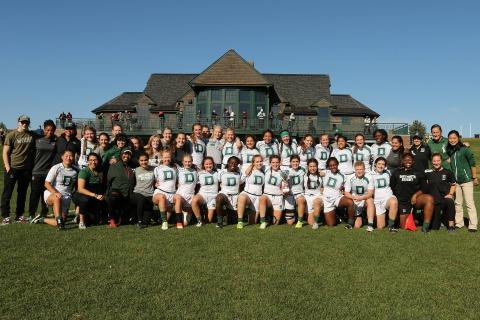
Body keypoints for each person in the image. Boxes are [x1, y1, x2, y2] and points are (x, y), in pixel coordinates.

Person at [1, 115, 36, 225]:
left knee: (22, 193)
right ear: (18, 122)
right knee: (7, 193)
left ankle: (19, 215)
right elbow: (5, 152)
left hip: (26, 169)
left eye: (26, 122)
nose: (24, 124)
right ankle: (6, 216)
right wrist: (7, 167)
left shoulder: (32, 135)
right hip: (12, 168)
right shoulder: (11, 135)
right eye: (22, 122)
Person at [32, 150, 78, 230]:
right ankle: (61, 226)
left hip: (66, 197)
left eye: (71, 156)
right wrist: (56, 192)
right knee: (57, 198)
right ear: (62, 157)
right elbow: (47, 183)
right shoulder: (56, 167)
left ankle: (42, 219)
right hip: (52, 194)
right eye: (66, 156)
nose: (68, 158)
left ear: (73, 158)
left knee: (61, 220)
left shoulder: (76, 170)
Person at [390, 153, 434, 232]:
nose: (408, 161)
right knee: (404, 226)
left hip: (415, 200)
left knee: (429, 199)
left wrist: (415, 195)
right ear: (402, 161)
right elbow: (392, 187)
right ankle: (416, 220)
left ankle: (425, 226)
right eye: (406, 159)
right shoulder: (397, 172)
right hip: (402, 201)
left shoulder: (418, 172)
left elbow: (425, 188)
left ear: (413, 161)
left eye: (410, 159)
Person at [446, 130, 478, 231]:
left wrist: (474, 177)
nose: (452, 140)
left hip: (467, 180)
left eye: (454, 138)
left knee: (469, 203)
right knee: (458, 203)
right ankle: (459, 223)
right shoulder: (449, 150)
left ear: (458, 138)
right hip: (456, 182)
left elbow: (472, 164)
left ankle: (473, 225)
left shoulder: (465, 149)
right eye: (450, 138)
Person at [28, 120, 57, 221]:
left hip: (48, 173)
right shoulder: (37, 140)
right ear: (44, 130)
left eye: (52, 130)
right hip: (36, 172)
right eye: (47, 130)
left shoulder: (55, 142)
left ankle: (44, 212)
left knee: (45, 194)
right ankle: (31, 213)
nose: (49, 132)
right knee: (34, 194)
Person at [71, 153, 106, 229]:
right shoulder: (84, 172)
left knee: (93, 221)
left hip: (92, 196)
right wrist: (95, 195)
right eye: (91, 160)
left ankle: (79, 216)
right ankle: (81, 221)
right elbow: (80, 189)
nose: (93, 162)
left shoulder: (100, 171)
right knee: (84, 200)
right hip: (80, 195)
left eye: (95, 160)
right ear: (87, 161)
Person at [425, 153, 456, 233]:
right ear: (431, 162)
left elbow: (453, 184)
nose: (436, 163)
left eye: (438, 160)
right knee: (435, 227)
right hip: (433, 201)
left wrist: (450, 194)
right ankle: (440, 221)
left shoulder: (448, 172)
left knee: (450, 201)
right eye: (434, 161)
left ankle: (451, 226)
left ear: (441, 161)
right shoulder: (428, 172)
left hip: (444, 199)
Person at [321, 157, 355, 229]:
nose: (333, 167)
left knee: (350, 202)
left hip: (337, 198)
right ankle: (338, 216)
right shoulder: (325, 172)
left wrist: (343, 188)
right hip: (327, 200)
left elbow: (347, 188)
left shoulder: (343, 176)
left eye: (334, 165)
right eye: (331, 165)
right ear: (328, 166)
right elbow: (316, 173)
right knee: (331, 224)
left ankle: (350, 223)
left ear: (337, 164)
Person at [106, 148, 135, 228]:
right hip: (117, 193)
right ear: (121, 155)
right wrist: (107, 193)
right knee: (113, 197)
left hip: (128, 195)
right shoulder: (114, 165)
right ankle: (111, 219)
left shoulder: (132, 166)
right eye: (125, 154)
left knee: (126, 221)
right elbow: (109, 181)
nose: (126, 156)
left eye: (129, 154)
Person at [344, 161, 375, 231]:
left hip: (364, 199)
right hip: (355, 200)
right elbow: (346, 193)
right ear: (354, 170)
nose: (359, 171)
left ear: (364, 170)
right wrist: (353, 197)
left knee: (370, 200)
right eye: (357, 169)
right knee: (357, 226)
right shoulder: (350, 177)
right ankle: (360, 216)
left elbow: (370, 193)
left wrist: (361, 198)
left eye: (361, 169)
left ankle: (370, 225)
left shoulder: (369, 177)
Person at [237, 155, 264, 229]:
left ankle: (249, 211)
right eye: (257, 162)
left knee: (253, 222)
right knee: (242, 197)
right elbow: (240, 181)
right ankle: (240, 221)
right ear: (253, 163)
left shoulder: (263, 172)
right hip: (248, 194)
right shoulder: (249, 171)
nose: (259, 163)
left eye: (261, 161)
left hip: (258, 197)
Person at [371, 157, 398, 231]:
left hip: (387, 198)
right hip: (377, 201)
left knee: (394, 202)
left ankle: (391, 226)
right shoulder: (370, 174)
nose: (381, 166)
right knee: (380, 226)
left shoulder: (388, 172)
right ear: (375, 164)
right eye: (379, 164)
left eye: (383, 164)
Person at [153, 149, 178, 230]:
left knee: (168, 213)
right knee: (162, 197)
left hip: (172, 194)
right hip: (160, 192)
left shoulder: (175, 168)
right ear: (162, 158)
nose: (167, 159)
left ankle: (162, 220)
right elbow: (154, 180)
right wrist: (155, 183)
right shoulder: (157, 168)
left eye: (168, 157)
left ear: (171, 158)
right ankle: (164, 221)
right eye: (165, 157)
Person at [216, 156, 243, 228]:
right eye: (231, 163)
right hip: (225, 195)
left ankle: (226, 213)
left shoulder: (239, 173)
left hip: (235, 196)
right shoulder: (222, 172)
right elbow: (218, 184)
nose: (233, 165)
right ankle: (219, 221)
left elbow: (241, 185)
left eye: (235, 163)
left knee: (232, 221)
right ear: (228, 163)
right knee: (219, 198)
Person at [173, 154, 200, 228]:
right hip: (180, 196)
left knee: (186, 223)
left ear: (192, 162)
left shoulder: (195, 172)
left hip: (190, 197)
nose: (187, 163)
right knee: (178, 199)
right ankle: (178, 222)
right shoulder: (179, 170)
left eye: (189, 161)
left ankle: (185, 212)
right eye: (185, 161)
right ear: (182, 162)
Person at [131, 153, 155, 228]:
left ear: (148, 160)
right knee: (141, 199)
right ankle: (139, 221)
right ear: (138, 161)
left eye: (145, 160)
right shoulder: (136, 170)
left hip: (150, 194)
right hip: (138, 192)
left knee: (146, 222)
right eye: (141, 160)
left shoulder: (154, 169)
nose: (144, 162)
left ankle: (145, 219)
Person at [259, 155, 284, 228]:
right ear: (270, 163)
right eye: (273, 162)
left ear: (280, 163)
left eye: (277, 162)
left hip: (278, 197)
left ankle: (269, 217)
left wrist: (284, 190)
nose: (275, 164)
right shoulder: (266, 168)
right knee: (262, 198)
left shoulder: (283, 173)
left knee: (275, 223)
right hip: (268, 196)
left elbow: (284, 186)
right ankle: (263, 221)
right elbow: (257, 164)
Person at [192, 157, 218, 224]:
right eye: (206, 164)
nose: (208, 166)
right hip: (202, 195)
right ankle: (199, 220)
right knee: (194, 200)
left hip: (213, 197)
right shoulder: (200, 173)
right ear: (203, 165)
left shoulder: (217, 173)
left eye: (210, 164)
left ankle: (205, 216)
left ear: (213, 164)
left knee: (208, 221)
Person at [283, 155, 306, 228]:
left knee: (301, 200)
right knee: (290, 222)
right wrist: (285, 191)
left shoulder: (303, 170)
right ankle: (295, 213)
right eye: (293, 161)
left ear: (299, 162)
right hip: (290, 195)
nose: (295, 163)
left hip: (300, 194)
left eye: (297, 161)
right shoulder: (286, 172)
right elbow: (284, 185)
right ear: (290, 162)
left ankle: (300, 221)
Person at [304, 159, 323, 229]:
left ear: (317, 166)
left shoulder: (321, 175)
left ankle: (316, 223)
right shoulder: (304, 175)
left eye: (314, 166)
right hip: (308, 197)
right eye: (310, 166)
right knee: (310, 222)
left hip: (318, 197)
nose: (312, 168)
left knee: (316, 201)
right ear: (308, 167)